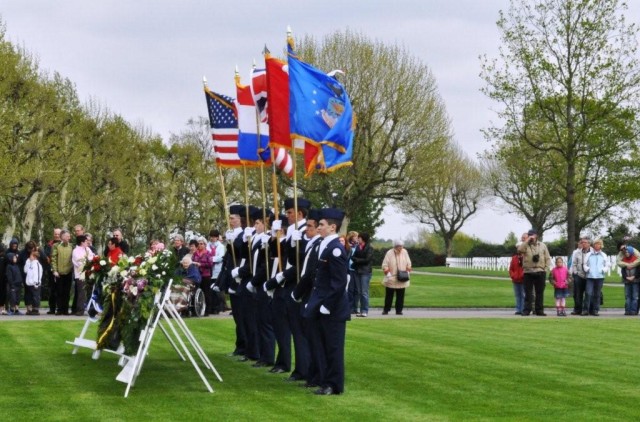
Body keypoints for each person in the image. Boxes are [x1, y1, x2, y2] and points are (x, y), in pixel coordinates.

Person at [264, 197, 311, 381]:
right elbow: (279, 254)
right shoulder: (292, 230)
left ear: (299, 213)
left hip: (297, 283)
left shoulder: (305, 230)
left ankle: (303, 369)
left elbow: (301, 262)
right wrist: (275, 235)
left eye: (290, 212)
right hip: (288, 282)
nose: (287, 216)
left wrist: (281, 277)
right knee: (291, 328)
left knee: (300, 331)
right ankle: (299, 368)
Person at [304, 208, 350, 395]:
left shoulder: (336, 249)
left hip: (333, 308)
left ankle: (333, 384)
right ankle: (324, 381)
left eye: (322, 225)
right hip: (320, 303)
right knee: (321, 345)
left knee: (333, 348)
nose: (319, 227)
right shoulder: (325, 245)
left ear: (332, 227)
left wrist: (326, 305)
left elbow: (339, 283)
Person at [517, 229, 551, 316]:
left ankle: (539, 310)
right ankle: (526, 310)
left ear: (536, 235)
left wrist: (545, 269)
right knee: (528, 292)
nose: (531, 236)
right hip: (528, 271)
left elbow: (547, 258)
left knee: (539, 292)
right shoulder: (525, 245)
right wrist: (527, 240)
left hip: (540, 271)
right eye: (529, 235)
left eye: (532, 235)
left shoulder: (543, 245)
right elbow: (520, 250)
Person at [381, 239, 412, 315]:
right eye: (399, 246)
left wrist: (407, 272)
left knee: (400, 296)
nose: (401, 248)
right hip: (391, 278)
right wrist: (388, 274)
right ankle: (386, 310)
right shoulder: (389, 253)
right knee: (389, 296)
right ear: (395, 246)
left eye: (402, 246)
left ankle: (399, 310)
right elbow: (384, 265)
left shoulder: (405, 252)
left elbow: (409, 263)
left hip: (402, 278)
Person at [582, 238, 609, 317]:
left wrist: (603, 270)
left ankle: (595, 310)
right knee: (588, 293)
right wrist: (588, 269)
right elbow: (584, 264)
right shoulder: (589, 254)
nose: (597, 245)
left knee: (597, 294)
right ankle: (585, 310)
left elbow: (606, 265)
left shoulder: (603, 255)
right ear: (593, 245)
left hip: (600, 277)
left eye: (599, 244)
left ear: (601, 246)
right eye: (596, 244)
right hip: (590, 277)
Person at [72, 235, 95, 316]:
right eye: (86, 241)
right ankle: (79, 310)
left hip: (89, 273)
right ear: (82, 242)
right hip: (80, 275)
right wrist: (87, 263)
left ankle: (91, 309)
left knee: (90, 292)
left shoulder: (88, 249)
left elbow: (92, 257)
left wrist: (91, 263)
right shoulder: (75, 251)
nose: (87, 242)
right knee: (81, 293)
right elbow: (79, 262)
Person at [52, 230, 74, 316]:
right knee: (59, 292)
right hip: (59, 273)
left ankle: (65, 309)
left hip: (68, 272)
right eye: (67, 236)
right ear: (63, 237)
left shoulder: (71, 246)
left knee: (67, 292)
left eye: (69, 236)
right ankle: (59, 309)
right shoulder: (56, 246)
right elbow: (53, 258)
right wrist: (54, 270)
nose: (69, 238)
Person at [351, 232, 373, 318]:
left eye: (359, 238)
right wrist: (358, 260)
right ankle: (361, 311)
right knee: (359, 292)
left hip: (365, 272)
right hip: (357, 271)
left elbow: (367, 260)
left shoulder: (369, 248)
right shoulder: (357, 247)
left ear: (363, 238)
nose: (357, 239)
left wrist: (357, 260)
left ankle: (365, 311)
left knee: (364, 292)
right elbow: (352, 257)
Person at [569, 237, 592, 315]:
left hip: (589, 276)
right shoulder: (577, 252)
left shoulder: (592, 252)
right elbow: (574, 263)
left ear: (589, 244)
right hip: (579, 275)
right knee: (577, 293)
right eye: (582, 242)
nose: (583, 244)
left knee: (588, 293)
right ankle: (577, 309)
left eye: (585, 242)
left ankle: (586, 309)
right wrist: (575, 272)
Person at [192, 236, 213, 316]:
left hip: (205, 275)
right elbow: (192, 261)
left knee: (206, 292)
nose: (200, 245)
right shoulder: (195, 253)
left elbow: (210, 264)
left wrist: (201, 264)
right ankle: (196, 309)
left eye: (202, 244)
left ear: (205, 244)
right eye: (199, 244)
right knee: (196, 291)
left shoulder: (208, 253)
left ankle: (207, 310)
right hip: (197, 275)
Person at [43, 228, 61, 314]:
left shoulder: (64, 244)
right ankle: (52, 308)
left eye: (58, 234)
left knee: (60, 290)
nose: (57, 235)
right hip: (51, 270)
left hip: (61, 270)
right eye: (55, 234)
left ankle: (60, 308)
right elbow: (46, 257)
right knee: (52, 290)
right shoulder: (49, 245)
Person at [618, 245, 639, 315]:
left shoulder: (637, 260)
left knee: (634, 296)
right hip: (627, 281)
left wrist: (634, 276)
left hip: (635, 281)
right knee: (627, 296)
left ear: (630, 252)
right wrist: (626, 277)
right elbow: (623, 271)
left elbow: (638, 271)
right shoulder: (623, 261)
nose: (626, 253)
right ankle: (627, 310)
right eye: (625, 252)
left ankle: (633, 311)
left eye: (628, 252)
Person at [24, 246, 43, 315]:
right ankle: (32, 309)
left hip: (35, 284)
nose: (30, 257)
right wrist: (28, 261)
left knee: (36, 297)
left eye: (31, 256)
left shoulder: (37, 264)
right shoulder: (30, 263)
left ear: (35, 257)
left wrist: (36, 284)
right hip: (30, 284)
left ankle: (36, 309)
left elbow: (37, 275)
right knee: (31, 297)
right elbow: (25, 270)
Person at [345, 231, 359, 314]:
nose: (357, 238)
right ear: (351, 237)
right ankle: (349, 307)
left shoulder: (358, 246)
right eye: (355, 236)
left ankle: (355, 307)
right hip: (349, 269)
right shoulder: (348, 246)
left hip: (356, 270)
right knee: (350, 289)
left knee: (357, 290)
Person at [508, 247, 525, 315]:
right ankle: (518, 309)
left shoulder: (525, 258)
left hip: (523, 279)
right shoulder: (514, 258)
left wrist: (522, 275)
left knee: (523, 295)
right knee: (517, 295)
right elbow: (511, 269)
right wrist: (513, 276)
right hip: (515, 279)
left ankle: (523, 309)